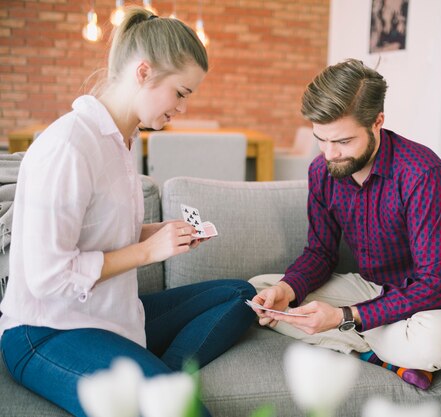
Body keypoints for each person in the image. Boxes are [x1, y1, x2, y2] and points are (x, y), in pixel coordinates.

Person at [0, 8, 255, 417]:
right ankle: (156, 390)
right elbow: (48, 275)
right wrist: (148, 253)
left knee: (242, 294)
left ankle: (154, 378)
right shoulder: (69, 146)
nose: (182, 109)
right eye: (181, 93)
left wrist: (155, 233)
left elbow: (99, 231)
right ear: (143, 72)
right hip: (47, 329)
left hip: (111, 315)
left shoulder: (122, 141)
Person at [250, 59, 441, 390]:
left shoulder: (423, 174)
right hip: (368, 288)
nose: (329, 154)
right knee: (258, 293)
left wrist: (344, 317)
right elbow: (321, 253)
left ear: (377, 122)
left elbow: (436, 284)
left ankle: (356, 339)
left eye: (342, 141)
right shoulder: (321, 172)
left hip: (426, 301)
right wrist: (286, 289)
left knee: (437, 343)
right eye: (321, 139)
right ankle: (383, 355)